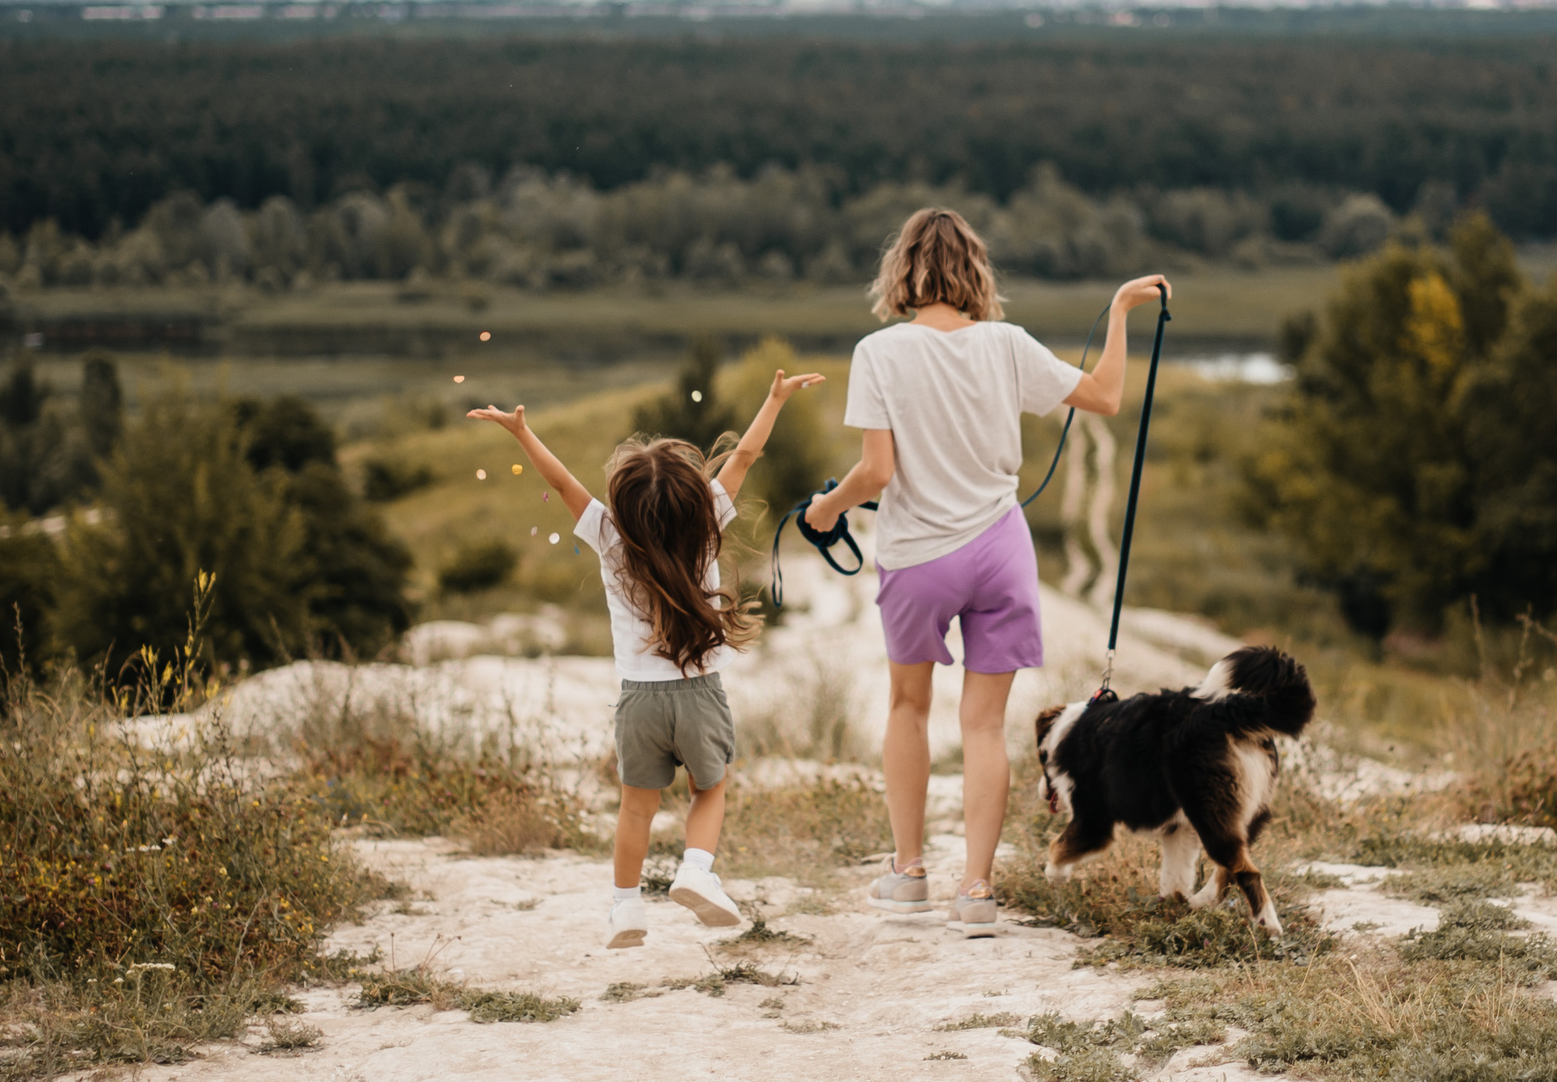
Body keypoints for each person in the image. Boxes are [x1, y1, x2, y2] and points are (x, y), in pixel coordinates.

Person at [806, 207, 1167, 936]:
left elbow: (878, 471)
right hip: (1001, 551)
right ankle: (976, 890)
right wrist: (1122, 309)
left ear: (902, 271)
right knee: (982, 724)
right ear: (975, 271)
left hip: (918, 557)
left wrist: (825, 509)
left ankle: (908, 876)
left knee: (908, 708)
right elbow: (1104, 396)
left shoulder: (879, 352)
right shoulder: (1007, 344)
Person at [471, 369, 823, 948]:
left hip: (638, 698)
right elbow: (748, 453)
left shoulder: (613, 536)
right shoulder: (708, 520)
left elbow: (561, 484)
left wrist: (521, 433)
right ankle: (695, 871)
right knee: (709, 790)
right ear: (692, 498)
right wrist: (774, 397)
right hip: (701, 692)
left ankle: (626, 908)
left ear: (625, 503)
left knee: (637, 808)